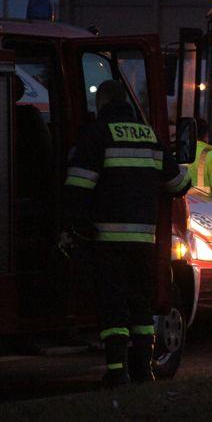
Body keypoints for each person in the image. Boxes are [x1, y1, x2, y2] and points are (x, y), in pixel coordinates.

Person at [61, 80, 191, 387]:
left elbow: (78, 186)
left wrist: (73, 224)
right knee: (141, 305)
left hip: (106, 239)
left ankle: (117, 371)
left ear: (103, 102)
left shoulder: (97, 134)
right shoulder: (149, 136)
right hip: (144, 241)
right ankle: (143, 371)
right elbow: (178, 184)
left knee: (113, 304)